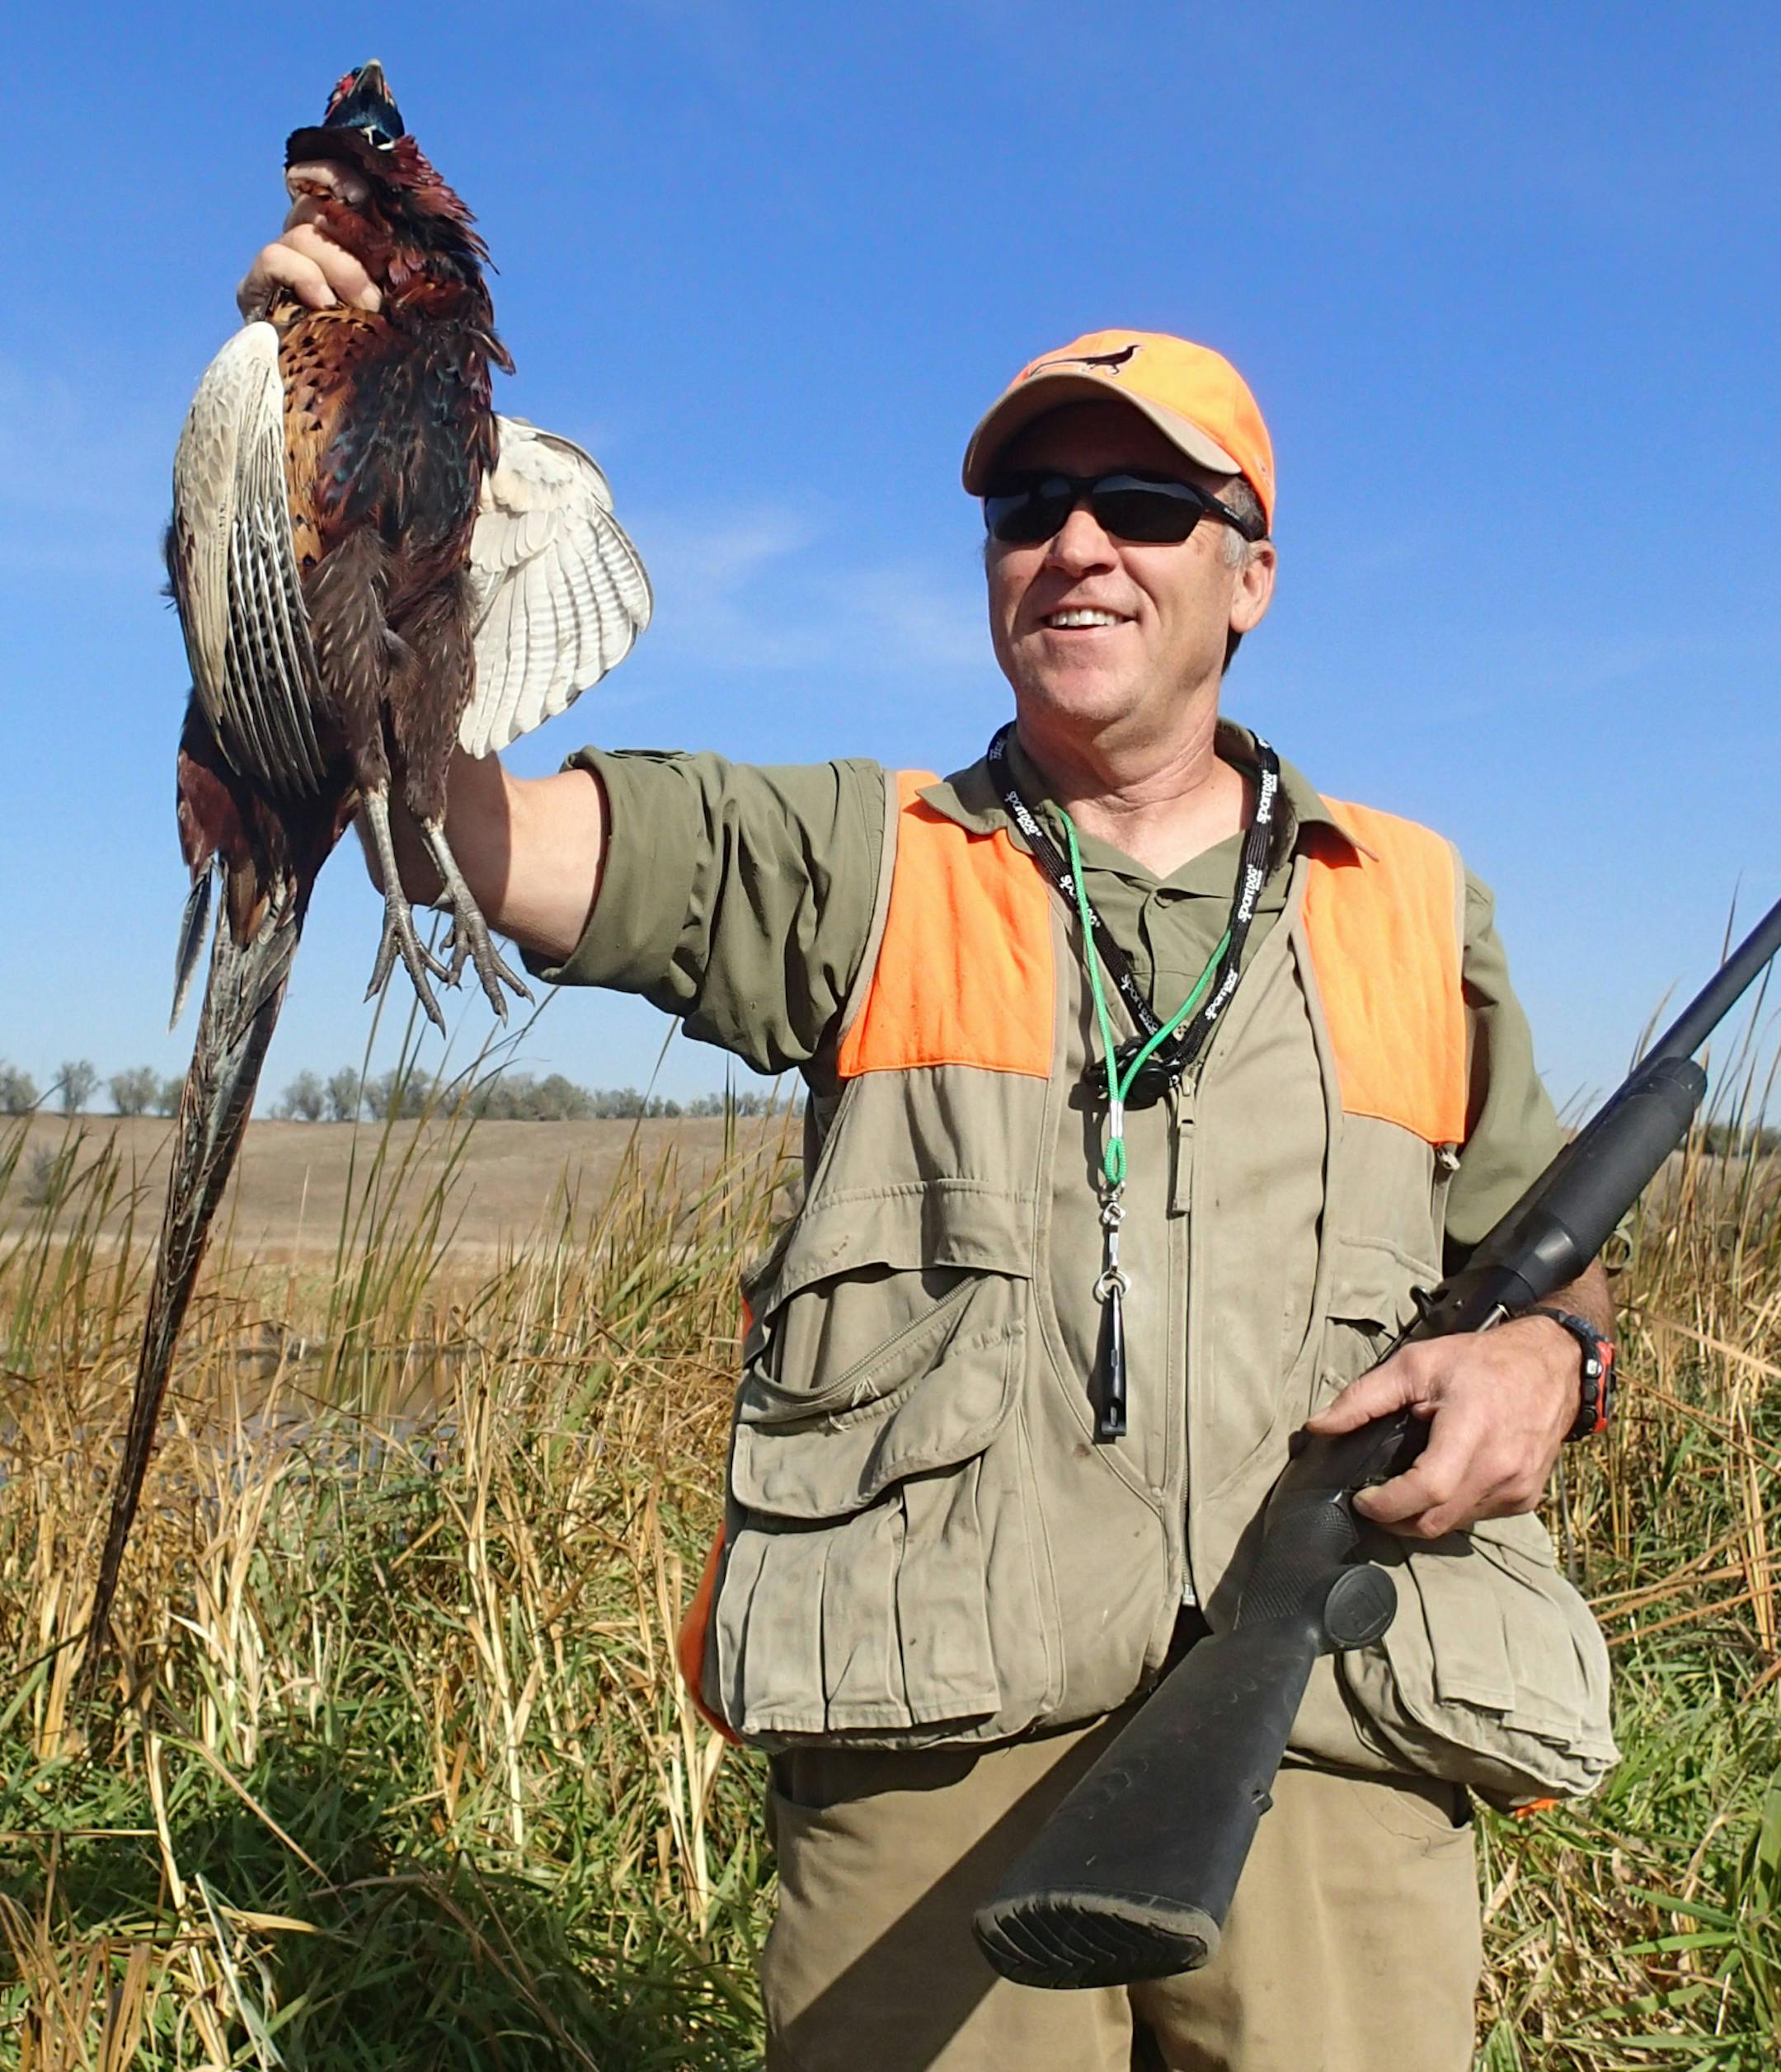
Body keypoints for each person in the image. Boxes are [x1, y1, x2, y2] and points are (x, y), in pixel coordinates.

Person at [243, 204, 1620, 2072]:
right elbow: (489, 843)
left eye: (1144, 504)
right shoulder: (858, 860)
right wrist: (347, 463)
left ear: (1252, 574)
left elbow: (1550, 1253)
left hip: (1330, 1718)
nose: (1075, 545)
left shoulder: (1411, 901)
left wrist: (1547, 1364)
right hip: (936, 1732)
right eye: (1027, 505)